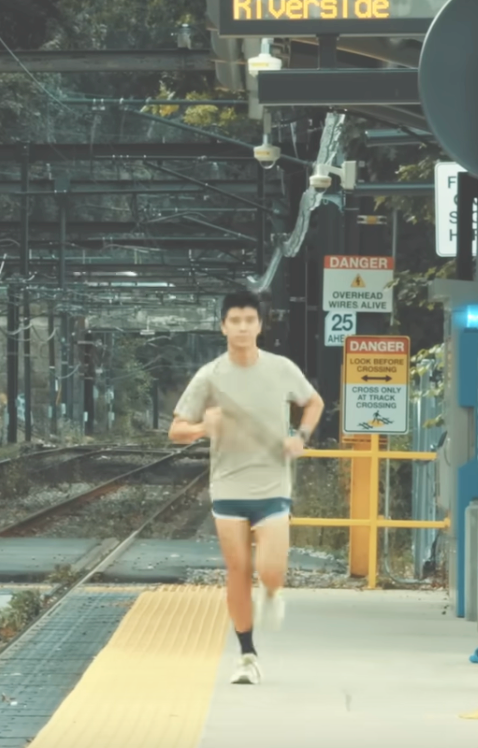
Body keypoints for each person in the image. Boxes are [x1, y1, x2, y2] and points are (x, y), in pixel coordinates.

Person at [170, 289, 323, 686]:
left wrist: (300, 436)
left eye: (249, 320)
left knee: (271, 572)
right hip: (228, 487)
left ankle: (272, 593)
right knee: (237, 569)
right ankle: (247, 655)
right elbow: (176, 431)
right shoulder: (209, 376)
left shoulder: (281, 368)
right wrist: (205, 427)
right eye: (234, 320)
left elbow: (314, 402)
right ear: (223, 326)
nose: (241, 327)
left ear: (260, 325)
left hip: (273, 484)